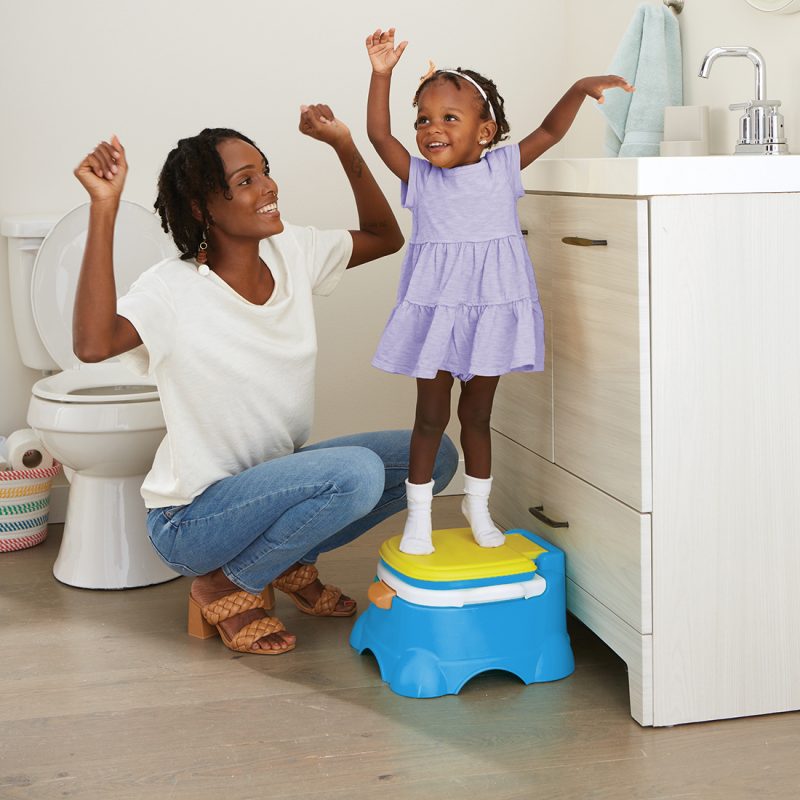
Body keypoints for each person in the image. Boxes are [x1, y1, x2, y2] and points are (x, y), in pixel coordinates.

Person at [71, 104, 458, 656]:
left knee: (435, 457)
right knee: (354, 475)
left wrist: (344, 144)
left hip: (271, 485)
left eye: (265, 171)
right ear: (203, 206)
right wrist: (103, 207)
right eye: (245, 181)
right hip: (192, 520)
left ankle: (286, 561)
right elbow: (91, 345)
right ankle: (226, 581)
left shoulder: (290, 250)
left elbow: (384, 235)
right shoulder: (172, 289)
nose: (269, 187)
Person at [365, 28, 634, 555]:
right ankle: (418, 517)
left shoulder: (503, 167)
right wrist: (382, 75)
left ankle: (477, 506)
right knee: (429, 417)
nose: (431, 129)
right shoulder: (421, 178)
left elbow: (551, 131)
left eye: (448, 117)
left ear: (485, 131)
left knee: (478, 416)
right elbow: (378, 136)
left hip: (492, 311)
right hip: (439, 313)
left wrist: (578, 88)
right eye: (423, 119)